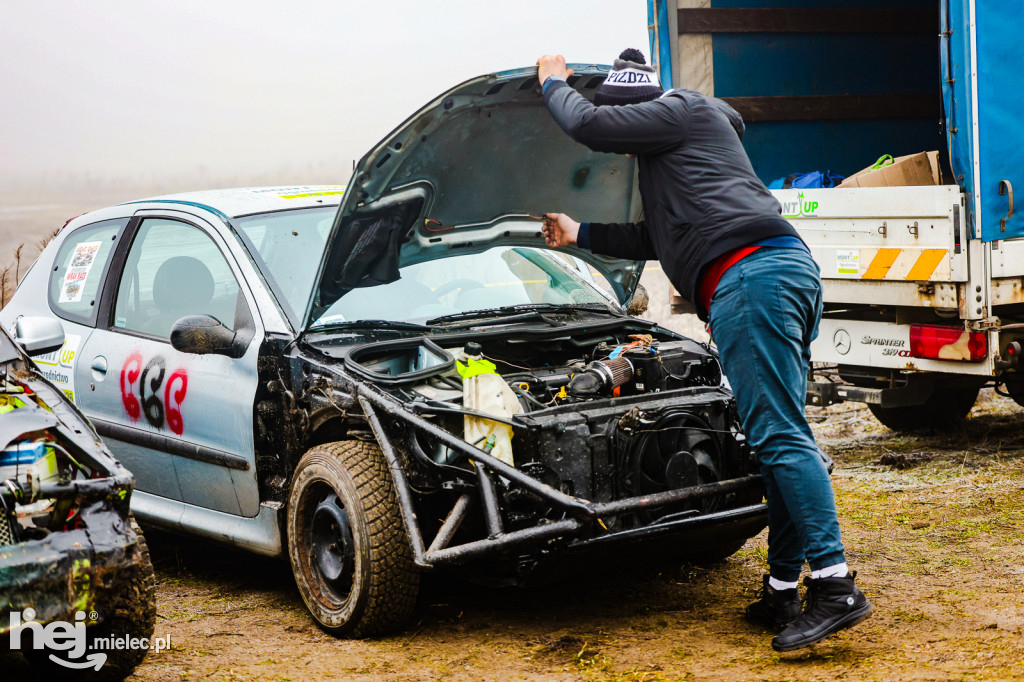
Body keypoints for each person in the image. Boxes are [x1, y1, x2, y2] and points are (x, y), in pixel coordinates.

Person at [536, 49, 872, 652]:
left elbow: (587, 124)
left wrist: (553, 83)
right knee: (780, 437)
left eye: (625, 118)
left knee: (778, 437)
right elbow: (655, 238)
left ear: (637, 104)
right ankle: (780, 590)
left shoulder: (680, 110)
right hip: (771, 274)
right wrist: (578, 233)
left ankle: (834, 585)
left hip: (753, 280)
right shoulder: (678, 162)